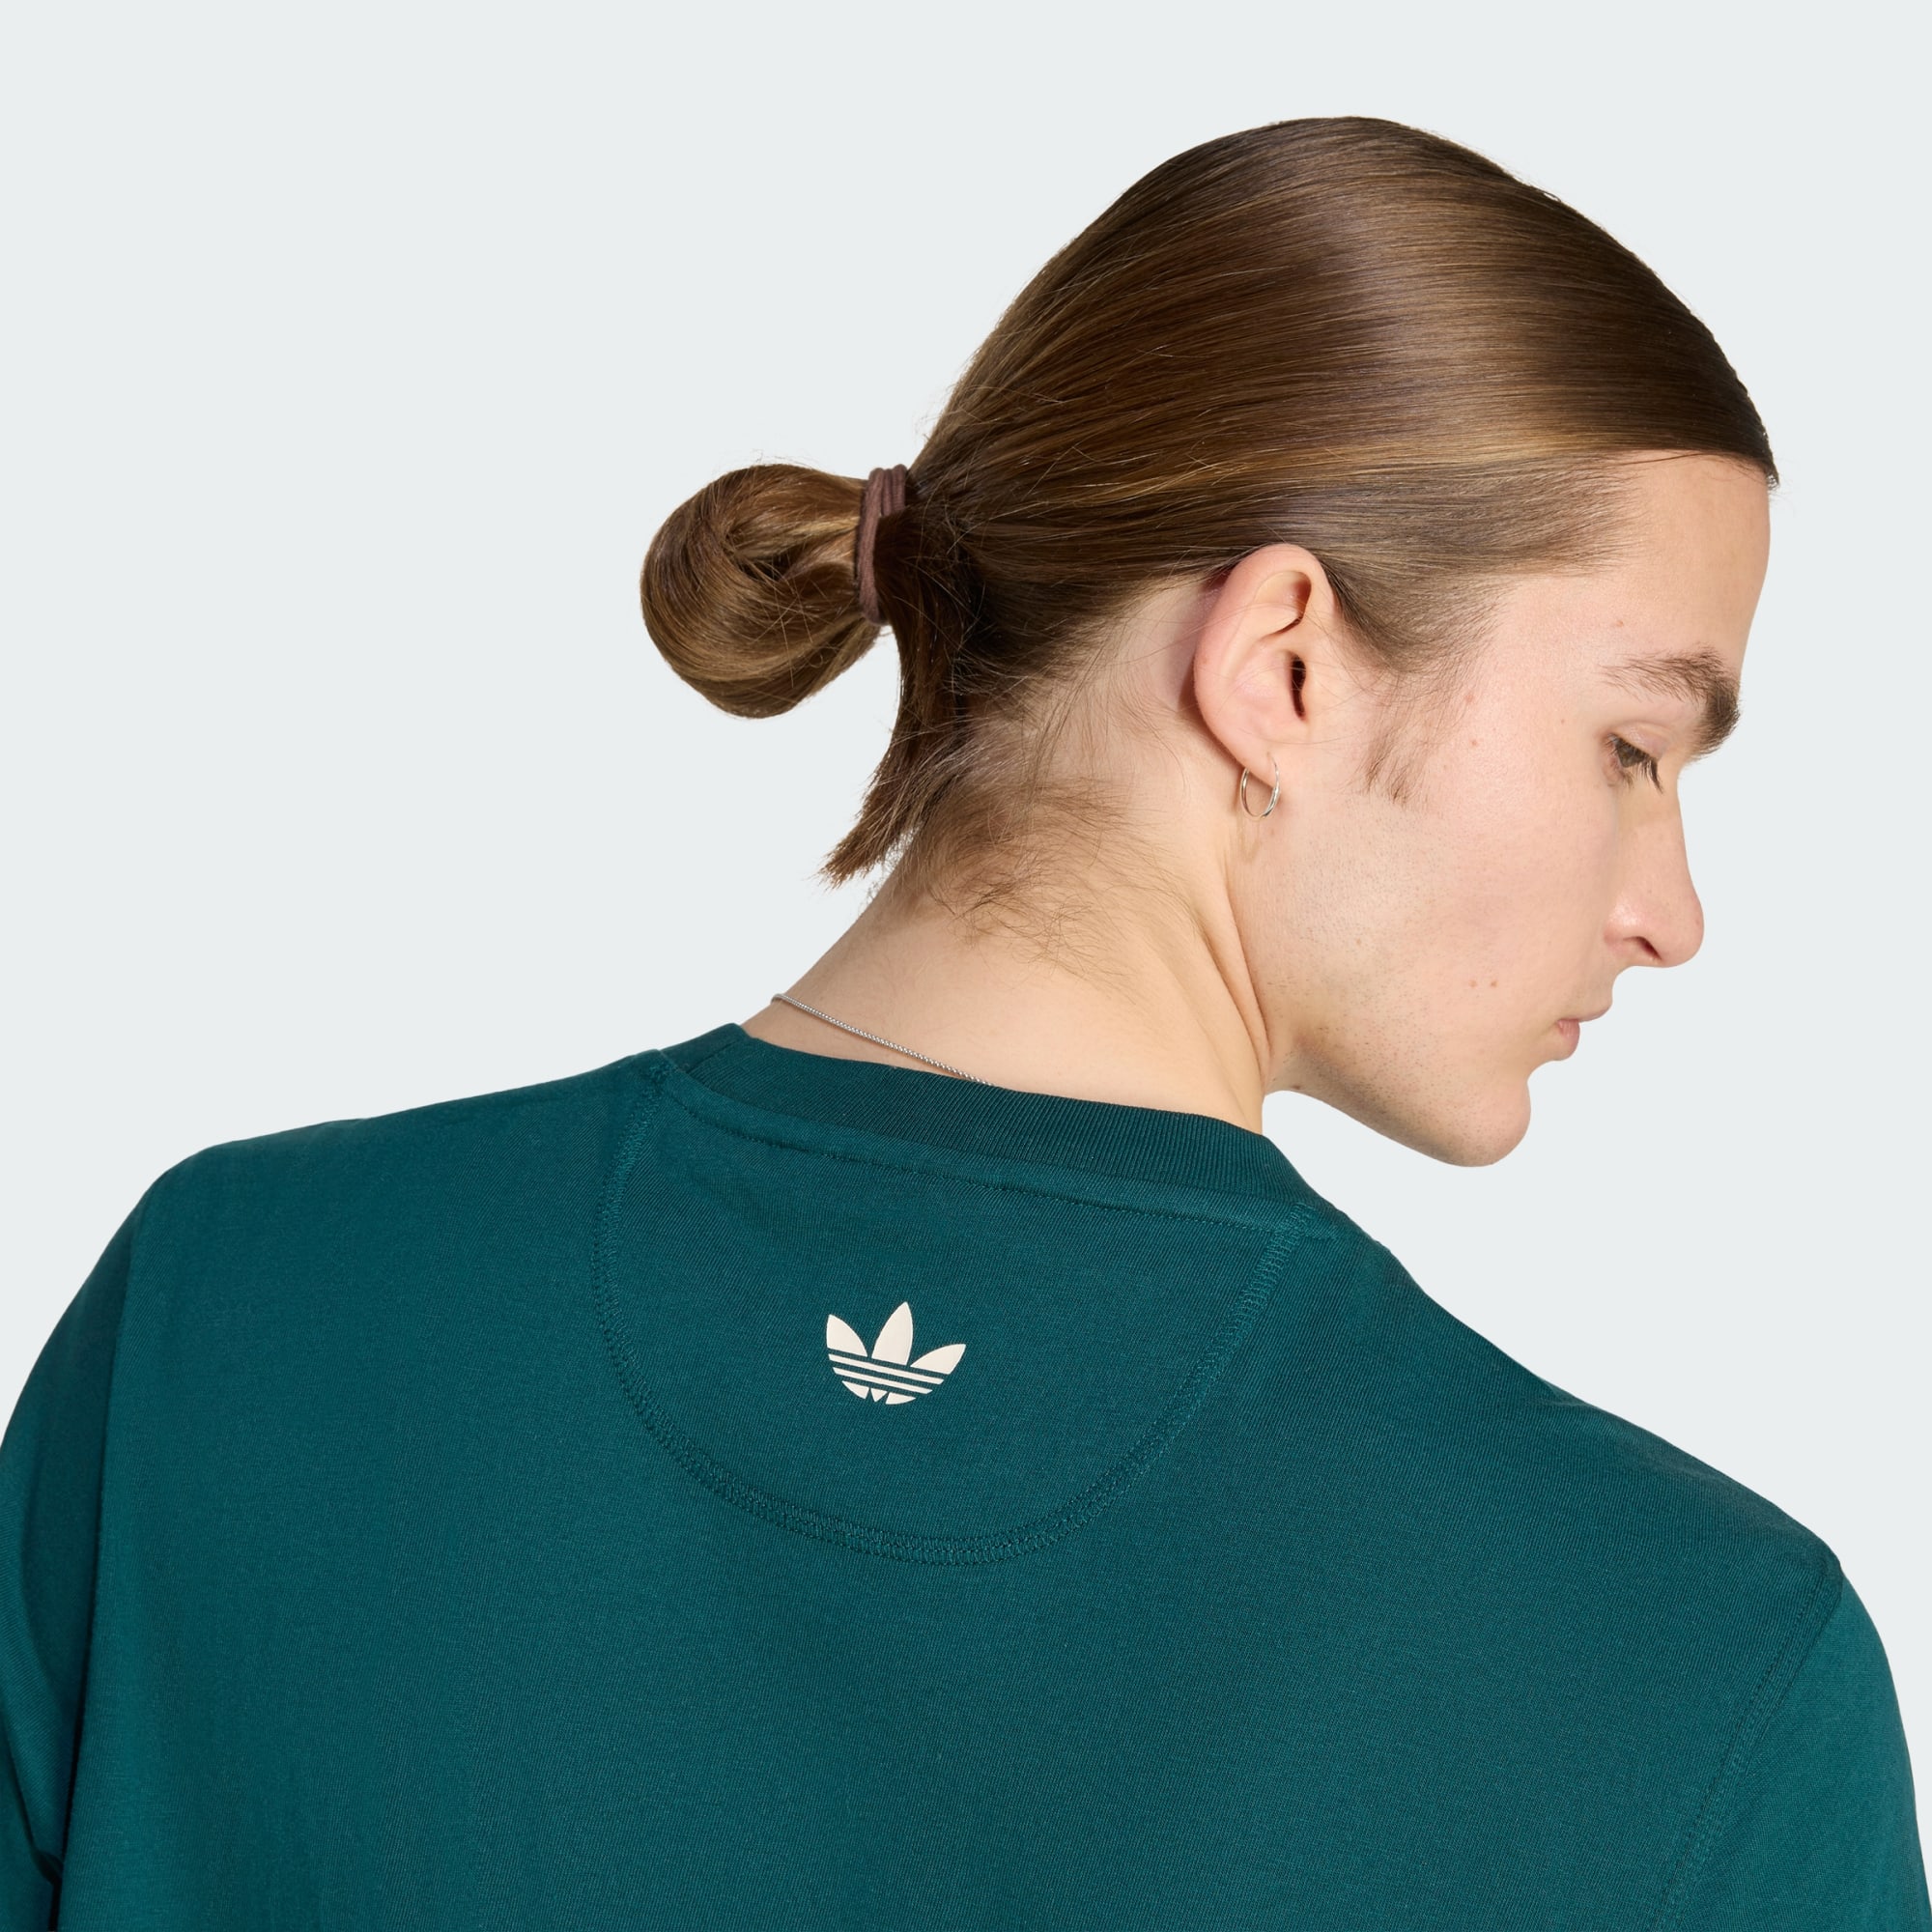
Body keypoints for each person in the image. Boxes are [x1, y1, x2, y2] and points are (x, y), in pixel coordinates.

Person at [1, 115, 1924, 1931]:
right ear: (1285, 666)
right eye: (1632, 746)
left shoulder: (225, 1314)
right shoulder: (1699, 1662)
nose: (1670, 912)